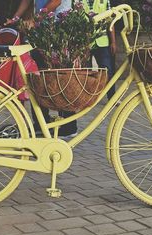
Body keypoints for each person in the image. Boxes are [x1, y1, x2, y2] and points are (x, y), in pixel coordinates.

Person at [8, 0, 78, 138]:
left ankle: (68, 126)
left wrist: (35, 19)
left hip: (60, 31)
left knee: (60, 78)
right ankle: (40, 123)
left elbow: (56, 1)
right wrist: (15, 18)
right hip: (42, 31)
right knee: (38, 79)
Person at [77, 0, 116, 100]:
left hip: (102, 41)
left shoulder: (105, 1)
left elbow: (110, 21)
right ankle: (87, 98)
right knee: (86, 72)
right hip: (85, 43)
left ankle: (112, 97)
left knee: (107, 71)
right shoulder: (79, 1)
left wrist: (113, 42)